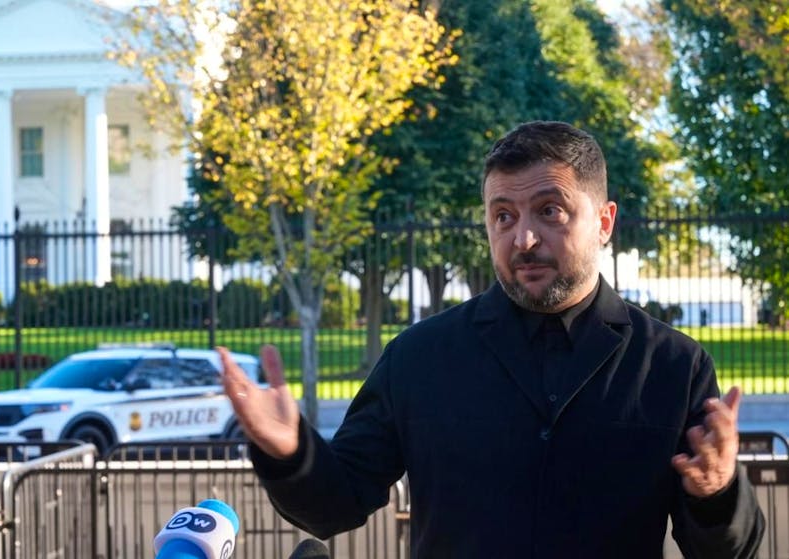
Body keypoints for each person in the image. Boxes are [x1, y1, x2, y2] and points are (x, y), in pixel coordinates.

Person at [216, 121, 765, 558]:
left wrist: (716, 494)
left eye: (549, 211)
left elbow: (726, 551)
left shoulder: (673, 365)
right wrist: (289, 453)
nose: (523, 238)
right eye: (503, 216)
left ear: (604, 221)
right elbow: (336, 506)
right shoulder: (419, 358)